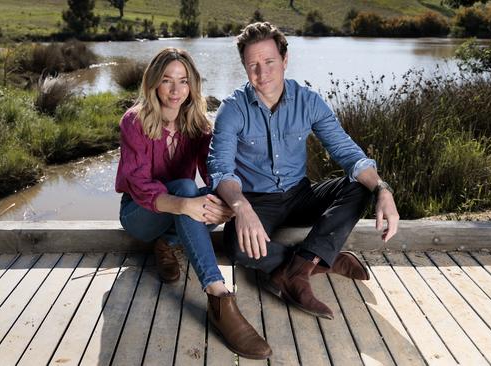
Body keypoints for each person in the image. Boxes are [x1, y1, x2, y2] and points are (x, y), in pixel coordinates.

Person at [207, 23, 400, 319]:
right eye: (253, 66)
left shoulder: (308, 101)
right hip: (257, 202)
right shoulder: (232, 109)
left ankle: (294, 270)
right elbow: (220, 170)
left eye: (269, 62)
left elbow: (347, 153)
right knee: (237, 248)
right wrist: (240, 207)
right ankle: (323, 260)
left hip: (300, 195)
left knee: (359, 185)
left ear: (285, 60)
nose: (262, 73)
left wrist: (382, 189)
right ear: (244, 68)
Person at [114, 48, 272, 359]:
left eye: (183, 81)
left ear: (192, 85)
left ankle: (168, 243)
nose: (176, 91)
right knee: (187, 189)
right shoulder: (134, 122)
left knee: (205, 195)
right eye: (167, 81)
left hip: (178, 210)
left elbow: (213, 171)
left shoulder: (198, 124)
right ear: (153, 84)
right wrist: (184, 204)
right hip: (139, 214)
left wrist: (228, 203)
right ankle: (219, 294)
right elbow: (140, 185)